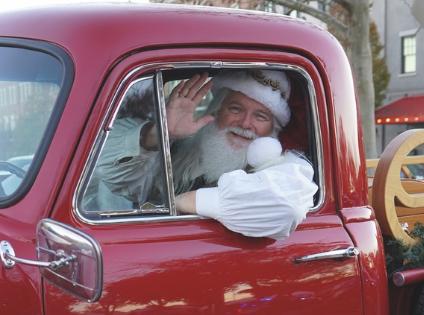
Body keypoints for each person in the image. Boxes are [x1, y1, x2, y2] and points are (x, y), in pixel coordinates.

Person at [93, 69, 318, 240]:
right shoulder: (183, 149)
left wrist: (180, 202)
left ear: (273, 129)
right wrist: (159, 134)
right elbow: (105, 170)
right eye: (235, 109)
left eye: (260, 116)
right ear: (217, 110)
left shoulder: (283, 167)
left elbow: (285, 208)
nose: (245, 123)